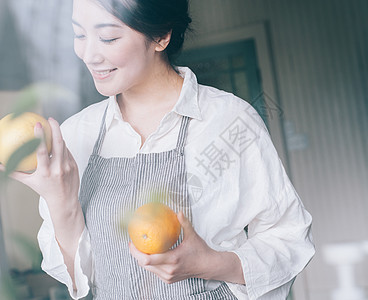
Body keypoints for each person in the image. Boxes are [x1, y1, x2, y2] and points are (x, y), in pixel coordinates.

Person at [4, 0, 315, 299]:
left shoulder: (229, 121)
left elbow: (289, 238)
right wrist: (60, 200)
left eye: (108, 37)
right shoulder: (74, 135)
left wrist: (211, 264)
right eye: (79, 34)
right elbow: (79, 280)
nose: (88, 54)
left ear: (161, 36)